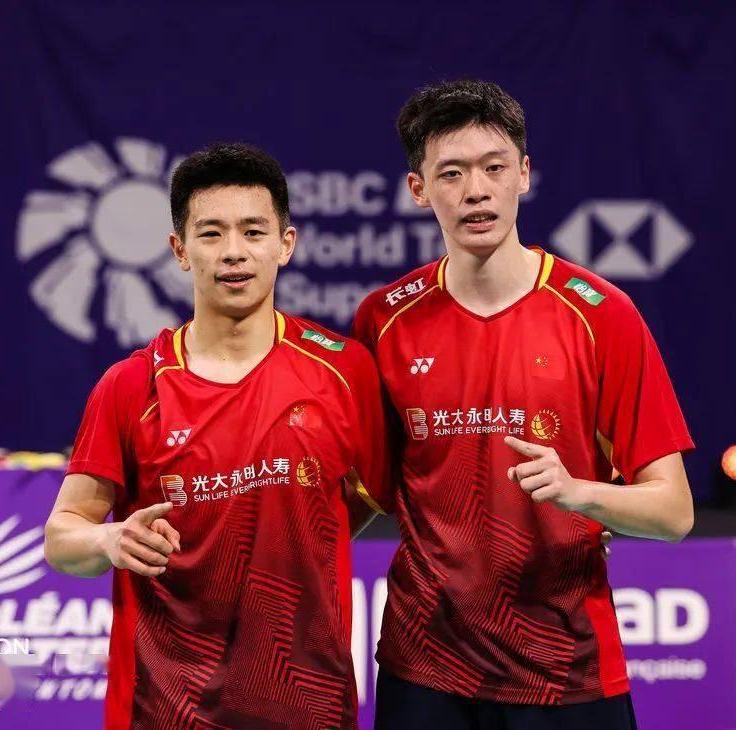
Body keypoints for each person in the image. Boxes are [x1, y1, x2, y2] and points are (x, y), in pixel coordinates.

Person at [351, 79, 695, 729]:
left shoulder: (602, 316)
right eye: (451, 173)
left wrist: (579, 493)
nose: (476, 190)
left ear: (524, 174)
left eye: (494, 167)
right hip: (424, 669)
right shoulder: (383, 320)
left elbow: (674, 511)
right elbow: (364, 491)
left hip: (566, 670)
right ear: (419, 189)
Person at [44, 143, 388, 729]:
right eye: (211, 233)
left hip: (309, 707)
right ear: (180, 250)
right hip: (163, 711)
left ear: (285, 244)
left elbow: (367, 502)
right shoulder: (130, 386)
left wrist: (295, 530)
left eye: (253, 231)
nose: (233, 252)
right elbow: (61, 537)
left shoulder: (344, 370)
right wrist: (109, 540)